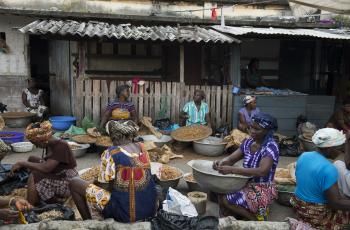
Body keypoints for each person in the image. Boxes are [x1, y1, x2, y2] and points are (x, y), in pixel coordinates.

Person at [69, 120, 157, 223]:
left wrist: (94, 181)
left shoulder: (111, 153)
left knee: (74, 183)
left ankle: (88, 223)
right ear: (131, 136)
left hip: (124, 214)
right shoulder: (143, 148)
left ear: (115, 138)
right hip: (149, 211)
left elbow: (104, 186)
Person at [213, 113, 279, 221]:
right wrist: (220, 163)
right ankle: (239, 212)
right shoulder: (248, 143)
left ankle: (255, 221)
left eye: (257, 129)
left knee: (227, 199)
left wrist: (232, 170)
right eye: (251, 127)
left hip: (261, 188)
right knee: (217, 192)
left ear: (267, 131)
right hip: (244, 182)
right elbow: (231, 159)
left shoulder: (270, 147)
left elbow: (262, 171)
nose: (252, 131)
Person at [291, 128, 350, 229]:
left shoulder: (304, 156)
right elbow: (336, 203)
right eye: (339, 147)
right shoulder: (329, 169)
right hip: (316, 215)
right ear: (328, 148)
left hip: (298, 206)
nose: (341, 151)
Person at [11, 121, 78, 206]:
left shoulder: (61, 146)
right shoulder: (48, 144)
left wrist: (22, 163)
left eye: (36, 143)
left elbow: (47, 168)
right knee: (32, 159)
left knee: (34, 176)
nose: (36, 146)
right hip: (57, 174)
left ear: (42, 140)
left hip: (68, 183)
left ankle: (30, 206)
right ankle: (37, 192)